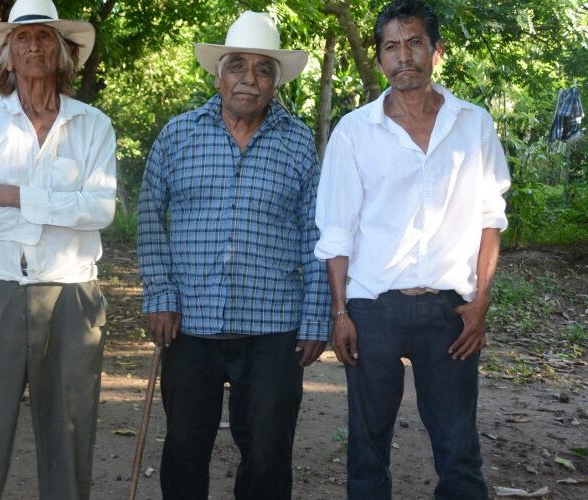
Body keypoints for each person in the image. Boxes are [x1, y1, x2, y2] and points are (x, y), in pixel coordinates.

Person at [314, 1, 511, 498]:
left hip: (451, 311)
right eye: (392, 46)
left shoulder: (474, 125)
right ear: (381, 58)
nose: (404, 56)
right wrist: (340, 312)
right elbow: (336, 231)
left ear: (436, 51)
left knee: (459, 448)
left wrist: (481, 302)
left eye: (415, 43)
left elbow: (490, 218)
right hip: (373, 309)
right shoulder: (354, 132)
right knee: (367, 447)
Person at [136, 11, 330, 500]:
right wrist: (160, 296)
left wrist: (315, 318)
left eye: (263, 69)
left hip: (273, 326)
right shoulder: (178, 134)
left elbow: (315, 232)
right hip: (190, 322)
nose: (249, 79)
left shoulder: (298, 142)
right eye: (237, 66)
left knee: (268, 451)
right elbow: (149, 217)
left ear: (276, 83)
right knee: (184, 448)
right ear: (218, 76)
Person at [0, 0, 116, 497]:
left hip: (71, 295)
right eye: (22, 38)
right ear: (7, 55)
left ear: (64, 52)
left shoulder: (92, 124)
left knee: (69, 432)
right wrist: (52, 214)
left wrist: (14, 196)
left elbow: (99, 210)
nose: (34, 46)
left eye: (45, 36)